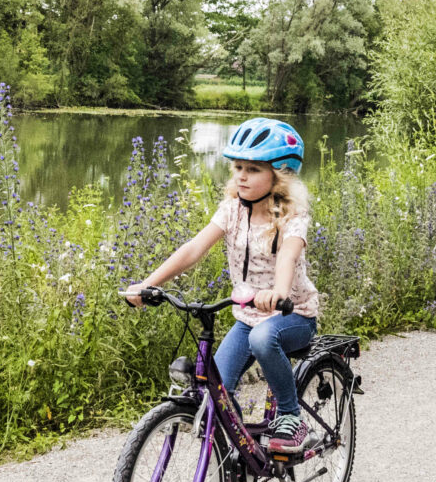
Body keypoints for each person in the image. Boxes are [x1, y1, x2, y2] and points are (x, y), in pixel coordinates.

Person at [125, 118, 319, 453]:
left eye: (254, 169)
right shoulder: (232, 211)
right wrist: (147, 284)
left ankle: (292, 416)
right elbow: (193, 249)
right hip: (248, 316)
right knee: (217, 391)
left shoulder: (292, 215)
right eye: (238, 167)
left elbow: (287, 257)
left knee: (263, 338)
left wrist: (279, 294)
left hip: (293, 315)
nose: (241, 176)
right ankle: (239, 455)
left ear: (279, 174)